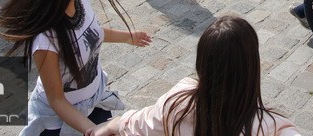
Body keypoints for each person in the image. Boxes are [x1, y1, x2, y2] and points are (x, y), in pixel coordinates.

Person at [0, 0, 151, 135]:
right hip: (63, 122)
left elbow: (92, 31)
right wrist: (92, 130)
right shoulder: (46, 40)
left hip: (95, 103)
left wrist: (128, 37)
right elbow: (57, 100)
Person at [87, 15, 298, 136]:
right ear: (251, 66)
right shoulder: (273, 128)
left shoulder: (178, 102)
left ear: (202, 63)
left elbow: (138, 123)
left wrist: (106, 127)